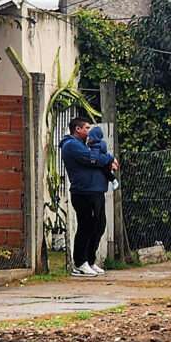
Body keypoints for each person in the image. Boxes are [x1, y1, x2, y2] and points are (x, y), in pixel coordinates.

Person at [59, 117, 117, 277]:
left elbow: (98, 157)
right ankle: (79, 263)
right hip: (83, 192)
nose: (89, 131)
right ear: (77, 129)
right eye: (86, 127)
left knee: (99, 226)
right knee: (86, 226)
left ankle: (90, 261)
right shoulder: (71, 145)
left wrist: (108, 160)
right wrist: (109, 159)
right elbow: (93, 159)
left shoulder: (86, 145)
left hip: (97, 191)